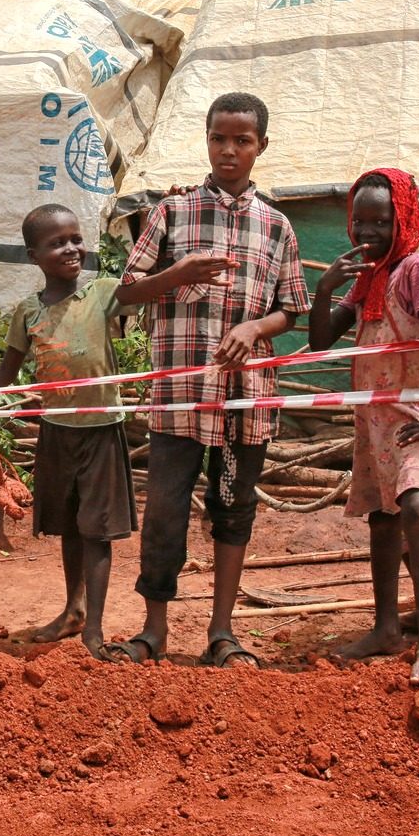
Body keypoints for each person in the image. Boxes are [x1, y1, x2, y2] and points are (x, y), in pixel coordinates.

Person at [109, 91, 308, 668]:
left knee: (234, 507)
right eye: (219, 138)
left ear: (260, 147)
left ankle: (223, 632)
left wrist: (254, 328)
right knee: (166, 507)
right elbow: (125, 291)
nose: (229, 151)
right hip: (179, 398)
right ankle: (153, 630)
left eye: (242, 141)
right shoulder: (171, 214)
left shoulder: (277, 226)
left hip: (246, 399)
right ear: (207, 139)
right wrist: (179, 273)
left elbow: (289, 309)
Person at [0, 205, 136, 659]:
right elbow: (6, 374)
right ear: (34, 255)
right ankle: (73, 610)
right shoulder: (28, 312)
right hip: (57, 434)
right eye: (57, 242)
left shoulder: (105, 294)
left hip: (102, 431)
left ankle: (95, 629)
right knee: (71, 527)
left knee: (98, 531)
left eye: (75, 238)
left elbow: (147, 285)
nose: (70, 248)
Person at [309, 169, 419, 686]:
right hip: (375, 423)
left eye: (381, 220)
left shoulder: (415, 268)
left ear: (403, 219)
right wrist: (325, 290)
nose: (368, 231)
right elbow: (318, 342)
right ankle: (383, 629)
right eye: (360, 221)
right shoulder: (367, 279)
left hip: (414, 420)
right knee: (383, 518)